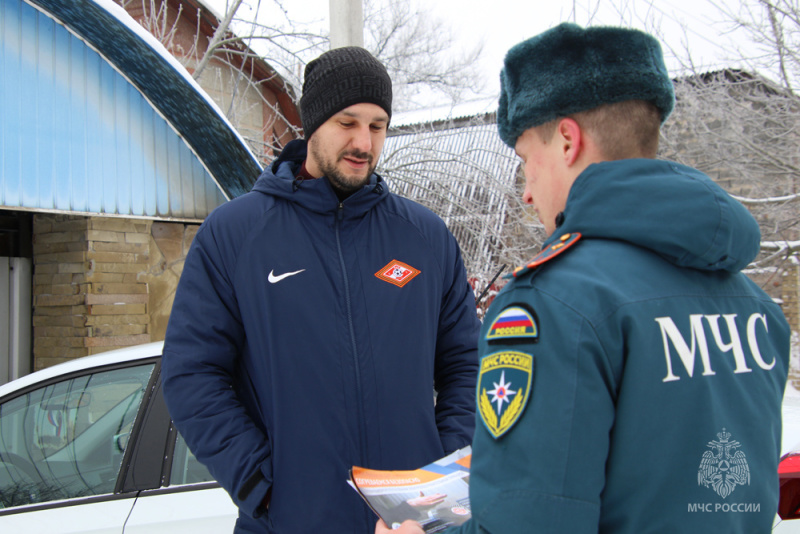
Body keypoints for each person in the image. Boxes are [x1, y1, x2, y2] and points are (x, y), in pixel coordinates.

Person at [377, 22, 790, 534]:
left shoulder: (554, 305)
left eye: (526, 160)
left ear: (568, 141)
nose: (526, 193)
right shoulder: (754, 306)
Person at [161, 46, 481, 533]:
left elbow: (466, 363)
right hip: (290, 520)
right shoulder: (236, 234)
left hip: (409, 526)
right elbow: (191, 374)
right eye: (346, 122)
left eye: (377, 126)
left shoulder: (424, 237)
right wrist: (261, 484)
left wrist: (440, 469)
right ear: (312, 124)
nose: (363, 142)